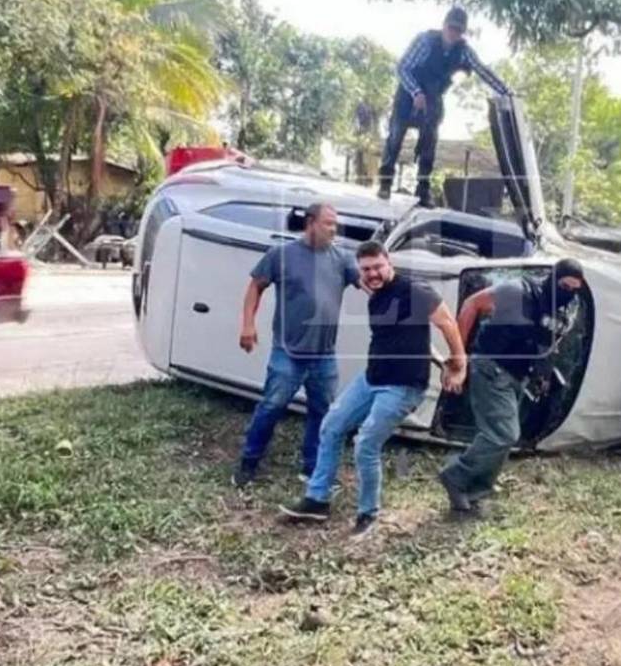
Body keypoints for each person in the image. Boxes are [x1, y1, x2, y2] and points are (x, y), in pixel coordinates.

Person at [280, 241, 467, 536]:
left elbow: (447, 324)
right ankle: (317, 500)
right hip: (372, 378)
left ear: (388, 262)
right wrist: (438, 359)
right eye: (366, 270)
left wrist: (457, 363)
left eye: (377, 267)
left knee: (366, 443)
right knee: (331, 426)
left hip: (403, 386)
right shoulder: (376, 297)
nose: (372, 274)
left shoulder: (414, 291)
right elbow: (414, 337)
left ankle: (368, 514)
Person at [438, 258, 587, 513]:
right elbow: (472, 304)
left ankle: (478, 487)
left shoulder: (559, 312)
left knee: (499, 434)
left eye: (575, 289)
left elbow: (547, 344)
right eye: (564, 286)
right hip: (492, 367)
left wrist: (543, 376)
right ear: (553, 279)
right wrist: (458, 357)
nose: (568, 293)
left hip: (518, 377)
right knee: (504, 434)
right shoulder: (517, 291)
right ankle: (456, 476)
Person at [233, 203, 360, 487]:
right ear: (311, 223)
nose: (333, 229)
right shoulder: (282, 254)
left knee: (322, 413)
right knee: (271, 407)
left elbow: (367, 282)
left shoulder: (342, 259)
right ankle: (248, 463)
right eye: (328, 223)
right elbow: (256, 286)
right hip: (288, 353)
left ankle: (312, 467)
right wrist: (248, 325)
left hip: (324, 356)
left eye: (335, 224)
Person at [377, 6, 512, 208]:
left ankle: (422, 190)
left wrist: (505, 91)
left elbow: (482, 70)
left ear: (462, 32)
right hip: (408, 93)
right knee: (395, 137)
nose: (453, 33)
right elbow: (402, 67)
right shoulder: (425, 41)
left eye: (458, 30)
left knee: (429, 142)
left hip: (433, 96)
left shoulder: (463, 51)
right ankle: (385, 182)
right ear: (444, 25)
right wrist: (415, 92)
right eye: (451, 28)